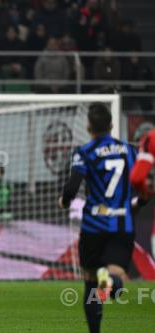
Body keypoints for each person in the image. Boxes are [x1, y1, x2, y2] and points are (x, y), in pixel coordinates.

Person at [59, 103, 140, 333]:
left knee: (91, 281)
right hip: (122, 224)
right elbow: (143, 182)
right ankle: (111, 280)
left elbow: (73, 186)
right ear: (112, 125)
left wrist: (65, 201)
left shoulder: (84, 152)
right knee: (115, 279)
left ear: (88, 127)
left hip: (94, 226)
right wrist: (139, 203)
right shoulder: (130, 150)